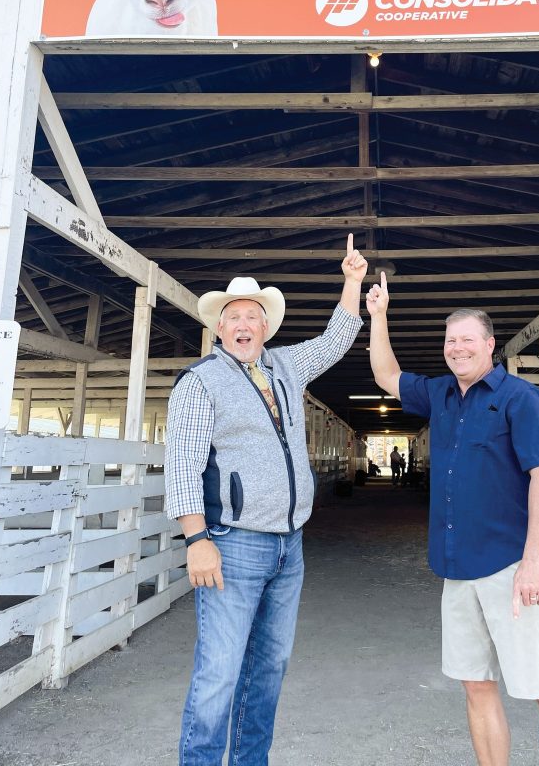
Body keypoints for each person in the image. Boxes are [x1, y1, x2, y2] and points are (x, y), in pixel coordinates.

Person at [366, 273, 539, 766]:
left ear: (490, 345)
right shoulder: (441, 395)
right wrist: (378, 316)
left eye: (467, 339)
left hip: (513, 567)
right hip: (458, 569)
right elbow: (386, 375)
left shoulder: (521, 399)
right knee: (477, 686)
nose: (457, 348)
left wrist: (534, 561)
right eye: (450, 341)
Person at [165, 235, 367, 766]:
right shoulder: (199, 382)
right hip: (233, 544)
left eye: (253, 316)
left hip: (289, 546)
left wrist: (351, 281)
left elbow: (334, 341)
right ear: (218, 328)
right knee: (220, 671)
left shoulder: (284, 367)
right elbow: (183, 464)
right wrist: (196, 539)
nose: (243, 324)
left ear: (266, 328)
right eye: (233, 316)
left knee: (269, 667)